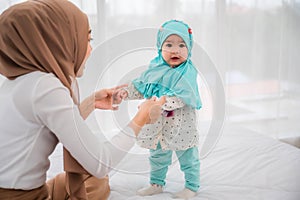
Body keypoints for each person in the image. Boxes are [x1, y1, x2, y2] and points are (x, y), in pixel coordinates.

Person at [0, 0, 166, 199]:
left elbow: (54, 123)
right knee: (96, 179)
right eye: (87, 39)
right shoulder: (45, 86)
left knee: (88, 180)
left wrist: (90, 103)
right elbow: (100, 163)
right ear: (58, 41)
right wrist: (142, 117)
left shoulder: (18, 82)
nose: (90, 49)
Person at [113, 20, 202, 199]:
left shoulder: (187, 72)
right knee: (157, 156)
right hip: (157, 125)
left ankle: (191, 186)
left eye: (181, 45)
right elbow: (142, 86)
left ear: (189, 48)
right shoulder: (155, 69)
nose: (175, 50)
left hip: (181, 125)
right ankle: (156, 184)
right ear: (160, 48)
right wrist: (126, 92)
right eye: (168, 44)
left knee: (188, 157)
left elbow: (183, 97)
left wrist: (160, 104)